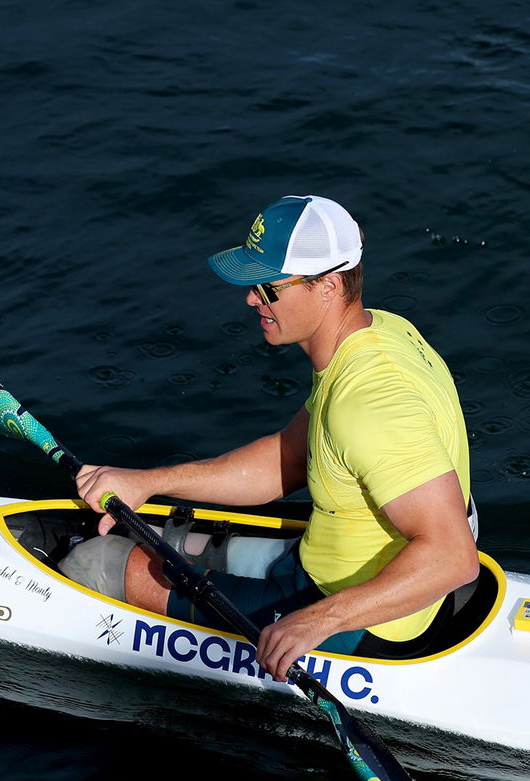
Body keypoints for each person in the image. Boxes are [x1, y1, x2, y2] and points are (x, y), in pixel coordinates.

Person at [63, 194, 478, 681]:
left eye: (267, 286)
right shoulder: (381, 333)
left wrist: (316, 622)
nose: (251, 298)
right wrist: (149, 481)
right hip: (322, 565)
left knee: (96, 562)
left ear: (327, 286)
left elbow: (452, 557)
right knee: (158, 542)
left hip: (370, 619)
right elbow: (285, 461)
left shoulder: (369, 404)